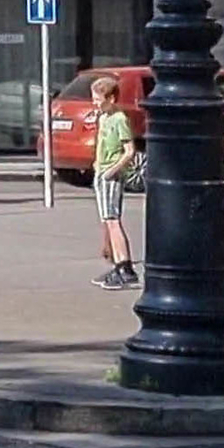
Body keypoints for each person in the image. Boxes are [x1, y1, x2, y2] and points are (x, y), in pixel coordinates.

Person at [89, 73, 138, 288]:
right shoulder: (104, 118)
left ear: (111, 99)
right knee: (107, 220)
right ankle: (116, 263)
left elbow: (129, 151)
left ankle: (125, 267)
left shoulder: (120, 119)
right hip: (101, 172)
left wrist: (113, 170)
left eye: (99, 100)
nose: (95, 104)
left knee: (113, 219)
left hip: (111, 174)